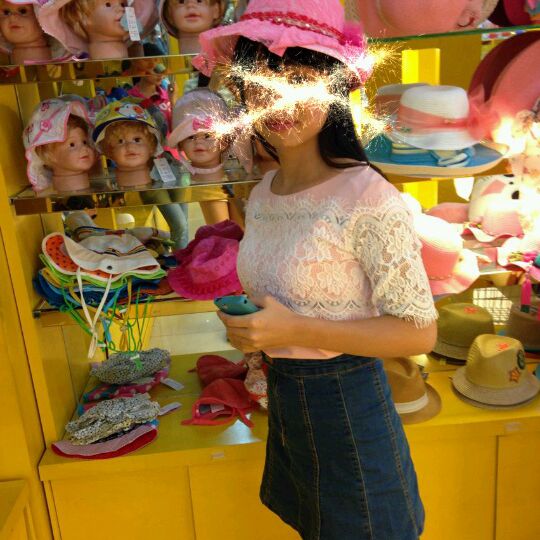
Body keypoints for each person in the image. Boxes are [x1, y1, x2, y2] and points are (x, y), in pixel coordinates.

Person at [194, 1, 438, 539]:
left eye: (301, 81)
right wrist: (254, 331)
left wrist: (294, 329)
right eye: (261, 83)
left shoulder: (367, 196)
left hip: (349, 409)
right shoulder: (264, 192)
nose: (278, 101)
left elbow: (419, 330)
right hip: (285, 403)